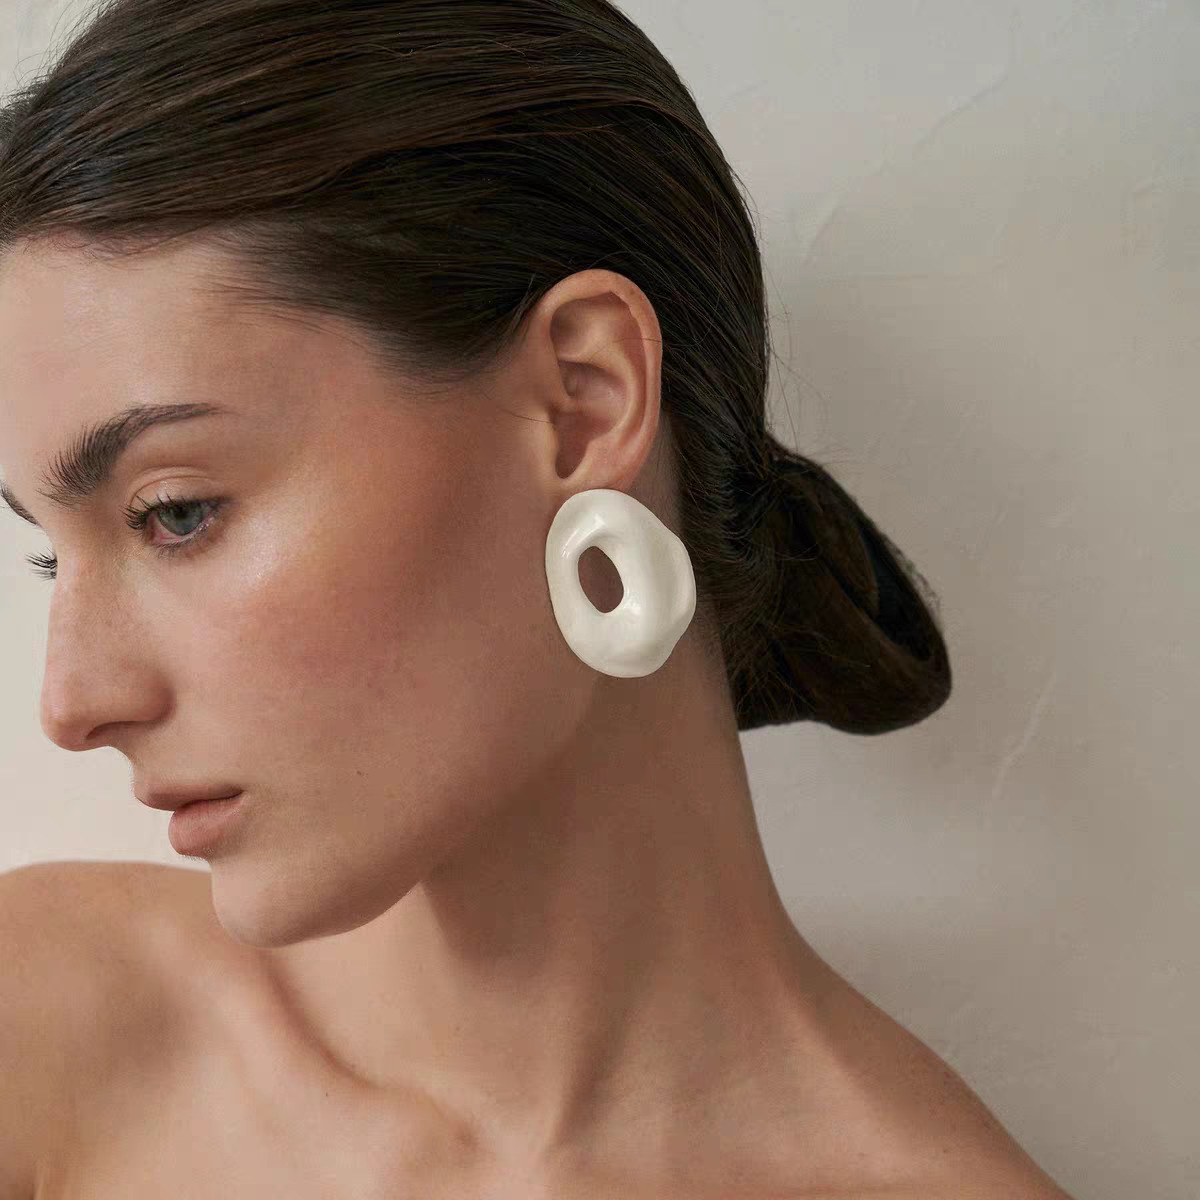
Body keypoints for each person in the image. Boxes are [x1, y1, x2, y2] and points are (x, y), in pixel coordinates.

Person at [0, 1, 1074, 1196]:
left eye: (178, 512)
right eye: (50, 556)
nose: (73, 703)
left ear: (581, 400)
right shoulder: (41, 1035)